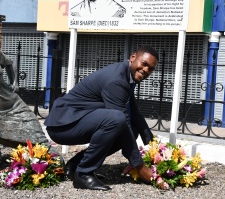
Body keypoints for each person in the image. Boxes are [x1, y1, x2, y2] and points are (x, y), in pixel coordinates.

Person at [45, 46, 158, 191]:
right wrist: (140, 167)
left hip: (77, 119)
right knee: (117, 119)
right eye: (144, 64)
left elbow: (135, 113)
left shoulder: (126, 75)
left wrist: (155, 148)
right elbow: (122, 120)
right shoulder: (117, 80)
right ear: (133, 57)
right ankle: (84, 174)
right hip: (63, 125)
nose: (146, 70)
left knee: (131, 129)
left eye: (151, 68)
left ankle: (75, 166)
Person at [0, 51, 48, 147]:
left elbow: (10, 64)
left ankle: (43, 157)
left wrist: (14, 83)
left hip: (11, 103)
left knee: (36, 132)